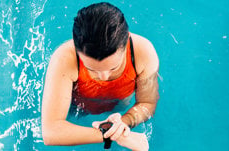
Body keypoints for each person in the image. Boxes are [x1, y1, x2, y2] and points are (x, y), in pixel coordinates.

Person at [41, 2, 159, 150]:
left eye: (113, 68)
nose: (103, 77)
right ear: (77, 50)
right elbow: (51, 131)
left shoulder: (142, 52)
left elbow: (147, 103)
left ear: (126, 42)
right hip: (78, 106)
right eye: (92, 69)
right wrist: (113, 134)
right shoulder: (64, 58)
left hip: (119, 105)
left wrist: (123, 123)